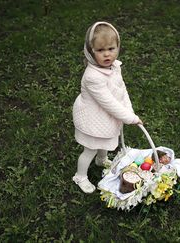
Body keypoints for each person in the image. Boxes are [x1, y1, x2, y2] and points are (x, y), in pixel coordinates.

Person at [72, 21, 143, 193]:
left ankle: (101, 160)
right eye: (100, 50)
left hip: (104, 116)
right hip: (92, 117)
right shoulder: (92, 77)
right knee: (90, 148)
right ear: (90, 51)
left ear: (118, 47)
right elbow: (108, 102)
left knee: (104, 139)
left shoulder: (114, 67)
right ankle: (80, 176)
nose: (107, 55)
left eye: (111, 49)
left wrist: (129, 110)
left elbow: (121, 90)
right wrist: (129, 118)